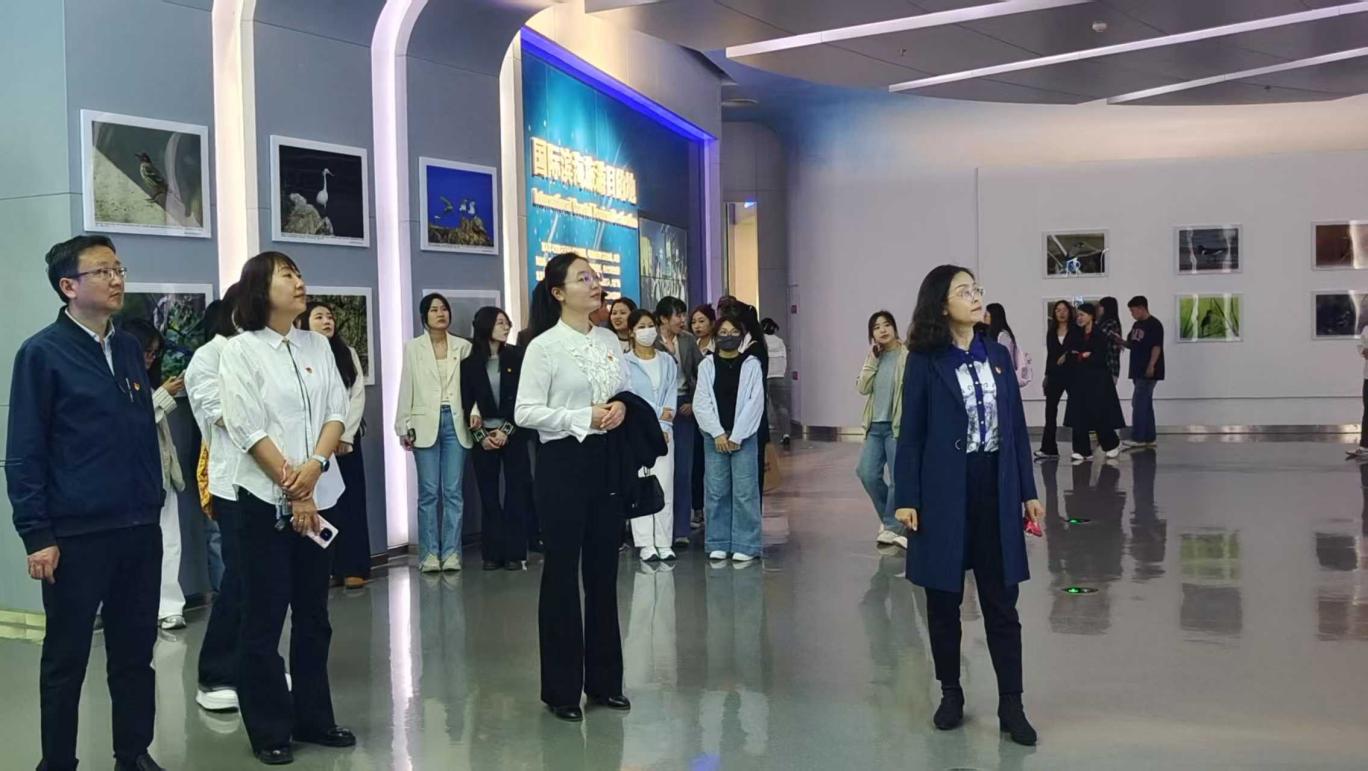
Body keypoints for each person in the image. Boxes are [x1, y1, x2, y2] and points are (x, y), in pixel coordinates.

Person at [7, 235, 165, 771]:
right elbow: (24, 452)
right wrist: (37, 534)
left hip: (138, 526)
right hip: (75, 535)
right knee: (66, 659)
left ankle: (133, 753)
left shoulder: (128, 349)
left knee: (135, 653)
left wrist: (151, 499)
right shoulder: (42, 353)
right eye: (102, 271)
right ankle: (57, 762)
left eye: (118, 269)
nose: (116, 279)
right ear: (68, 286)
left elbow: (140, 434)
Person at [891, 265, 1045, 747]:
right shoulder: (924, 361)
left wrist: (1028, 491)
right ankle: (951, 693)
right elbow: (910, 434)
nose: (976, 297)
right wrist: (907, 497)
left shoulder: (997, 354)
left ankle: (1012, 704)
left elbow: (1015, 430)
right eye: (964, 291)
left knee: (1002, 603)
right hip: (942, 494)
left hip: (994, 489)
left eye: (976, 289)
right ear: (942, 306)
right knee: (943, 601)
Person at [219, 251, 355, 765]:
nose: (300, 283)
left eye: (299, 274)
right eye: (287, 276)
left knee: (314, 615)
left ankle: (314, 717)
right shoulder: (240, 351)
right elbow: (246, 426)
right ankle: (269, 727)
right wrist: (295, 490)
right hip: (263, 501)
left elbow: (337, 410)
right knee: (263, 616)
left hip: (321, 494)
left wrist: (315, 466)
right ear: (261, 289)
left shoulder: (316, 344)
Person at [515, 252, 632, 722]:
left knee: (604, 573)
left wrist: (621, 407)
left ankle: (605, 683)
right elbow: (525, 411)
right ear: (559, 292)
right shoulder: (543, 347)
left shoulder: (608, 339)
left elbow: (624, 390)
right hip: (562, 464)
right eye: (583, 278)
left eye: (595, 276)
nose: (594, 283)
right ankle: (562, 690)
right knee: (563, 575)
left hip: (607, 462)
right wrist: (581, 417)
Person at [185, 284, 246, 714]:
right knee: (238, 581)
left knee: (269, 587)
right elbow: (226, 417)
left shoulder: (286, 350)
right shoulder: (210, 356)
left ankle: (257, 664)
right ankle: (217, 673)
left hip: (285, 482)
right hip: (235, 481)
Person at [396, 293, 474, 573]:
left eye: (444, 309)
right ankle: (429, 554)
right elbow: (406, 385)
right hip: (423, 421)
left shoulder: (464, 347)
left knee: (453, 491)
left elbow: (472, 385)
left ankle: (451, 553)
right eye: (433, 310)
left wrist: (476, 411)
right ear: (424, 316)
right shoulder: (413, 347)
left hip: (456, 421)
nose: (441, 314)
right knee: (428, 492)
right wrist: (402, 424)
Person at [297, 300, 370, 588]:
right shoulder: (300, 353)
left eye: (329, 317)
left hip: (345, 440)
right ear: (304, 322)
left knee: (350, 502)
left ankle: (354, 566)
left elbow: (356, 395)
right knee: (321, 504)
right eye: (319, 317)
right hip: (313, 443)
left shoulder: (345, 353)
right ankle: (327, 566)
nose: (327, 321)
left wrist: (344, 435)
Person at [123, 319, 190, 631]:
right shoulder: (116, 380)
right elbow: (131, 424)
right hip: (131, 479)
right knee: (136, 548)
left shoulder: (148, 382)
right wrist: (163, 395)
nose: (150, 358)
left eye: (154, 353)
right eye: (146, 351)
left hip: (162, 474)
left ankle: (169, 607)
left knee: (170, 543)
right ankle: (139, 608)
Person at [462, 306, 533, 571]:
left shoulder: (517, 357)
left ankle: (515, 552)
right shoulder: (469, 364)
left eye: (507, 322)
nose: (506, 327)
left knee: (516, 492)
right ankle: (492, 553)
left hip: (513, 433)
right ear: (486, 326)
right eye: (500, 323)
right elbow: (465, 402)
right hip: (484, 436)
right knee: (488, 495)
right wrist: (481, 436)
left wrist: (506, 430)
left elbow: (525, 397)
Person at [694, 311, 767, 563]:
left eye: (734, 332)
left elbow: (755, 402)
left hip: (743, 437)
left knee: (745, 492)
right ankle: (718, 541)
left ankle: (746, 543)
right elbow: (701, 402)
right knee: (716, 491)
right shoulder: (706, 365)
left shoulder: (751, 364)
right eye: (723, 333)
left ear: (742, 336)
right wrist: (717, 433)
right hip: (714, 437)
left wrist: (737, 435)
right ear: (716, 336)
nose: (729, 336)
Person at [624, 309, 679, 561]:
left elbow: (671, 396)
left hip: (664, 433)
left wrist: (665, 425)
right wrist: (657, 414)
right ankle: (645, 543)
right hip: (637, 433)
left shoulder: (667, 361)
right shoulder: (625, 363)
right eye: (641, 327)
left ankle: (664, 541)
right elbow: (630, 398)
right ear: (631, 332)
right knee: (640, 483)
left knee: (665, 485)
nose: (647, 331)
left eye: (650, 326)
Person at [856, 311, 909, 550]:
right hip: (875, 427)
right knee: (866, 473)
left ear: (895, 328)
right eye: (877, 327)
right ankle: (893, 522)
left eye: (887, 325)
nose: (883, 330)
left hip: (896, 426)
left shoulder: (907, 355)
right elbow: (862, 387)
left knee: (898, 478)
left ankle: (892, 526)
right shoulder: (874, 357)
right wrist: (872, 361)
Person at [654, 296, 704, 546]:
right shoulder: (651, 341)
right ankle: (658, 529)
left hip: (684, 409)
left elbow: (702, 373)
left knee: (683, 470)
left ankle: (681, 529)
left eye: (684, 315)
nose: (683, 320)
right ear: (664, 319)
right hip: (659, 409)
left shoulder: (687, 340)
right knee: (661, 470)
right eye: (678, 315)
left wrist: (693, 402)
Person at [1064, 302, 1126, 461]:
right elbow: (1070, 353)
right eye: (1078, 315)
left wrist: (1083, 355)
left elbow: (1098, 357)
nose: (1079, 318)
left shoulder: (1099, 335)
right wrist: (1082, 355)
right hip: (1078, 379)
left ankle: (1111, 443)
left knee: (1099, 413)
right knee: (1079, 414)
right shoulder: (1074, 333)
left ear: (1091, 316)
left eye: (1082, 315)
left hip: (1098, 380)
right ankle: (1081, 450)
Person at [1118, 296, 1165, 450]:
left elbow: (1156, 346)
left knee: (1138, 403)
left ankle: (1138, 437)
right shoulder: (1136, 325)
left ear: (1141, 308)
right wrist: (1120, 341)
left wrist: (1152, 365)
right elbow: (1132, 344)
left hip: (1148, 370)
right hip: (1137, 370)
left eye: (1133, 311)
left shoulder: (1154, 324)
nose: (1132, 314)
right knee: (1145, 403)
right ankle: (1149, 437)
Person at [1036, 300, 1078, 460]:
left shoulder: (1076, 330)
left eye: (1064, 310)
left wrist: (1067, 354)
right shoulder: (1052, 332)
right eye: (1058, 310)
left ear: (1069, 312)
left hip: (1073, 374)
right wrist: (1046, 375)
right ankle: (1049, 448)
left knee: (1077, 410)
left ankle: (1080, 448)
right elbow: (1050, 355)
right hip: (1055, 374)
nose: (1061, 313)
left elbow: (1078, 349)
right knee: (1050, 411)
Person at [762, 318, 792, 446]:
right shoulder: (780, 342)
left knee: (762, 407)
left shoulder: (761, 341)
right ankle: (786, 434)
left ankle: (764, 435)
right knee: (781, 407)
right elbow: (784, 360)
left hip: (764, 377)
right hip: (779, 377)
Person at [1097, 297, 1124, 384]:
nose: (1098, 309)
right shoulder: (1106, 323)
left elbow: (1098, 337)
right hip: (1107, 368)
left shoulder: (1110, 323)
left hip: (1108, 367)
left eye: (1100, 306)